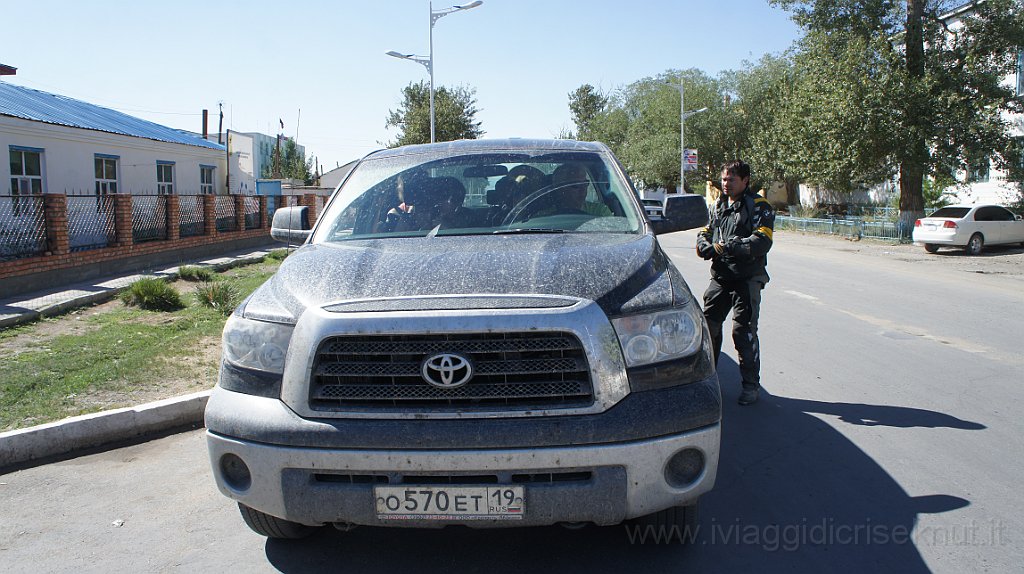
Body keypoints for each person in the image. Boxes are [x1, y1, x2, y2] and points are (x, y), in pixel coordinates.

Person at [696, 160, 775, 406]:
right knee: (708, 329)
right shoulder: (718, 205)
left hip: (747, 278)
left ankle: (751, 386)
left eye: (731, 179)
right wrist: (703, 244)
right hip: (721, 277)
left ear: (745, 180)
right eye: (724, 179)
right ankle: (708, 382)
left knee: (743, 332)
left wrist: (728, 245)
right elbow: (706, 231)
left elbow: (762, 240)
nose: (725, 183)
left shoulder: (759, 206)